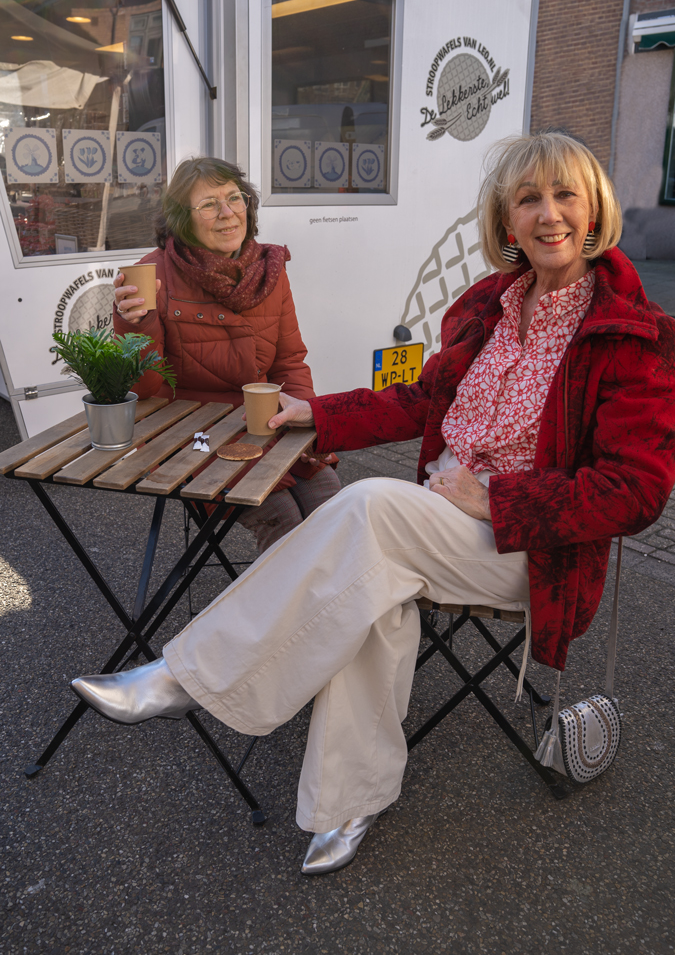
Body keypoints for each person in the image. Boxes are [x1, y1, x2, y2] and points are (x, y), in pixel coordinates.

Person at [73, 132, 675, 876]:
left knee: (371, 511)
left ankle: (182, 674)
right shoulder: (489, 304)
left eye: (564, 196)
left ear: (592, 214)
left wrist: (496, 498)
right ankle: (348, 801)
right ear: (506, 220)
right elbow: (421, 400)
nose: (547, 214)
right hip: (431, 521)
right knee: (376, 595)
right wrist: (314, 414)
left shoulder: (629, 335)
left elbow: (637, 491)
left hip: (526, 550)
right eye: (528, 199)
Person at [113, 156, 340, 552]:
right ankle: (293, 609)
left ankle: (342, 602)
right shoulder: (153, 274)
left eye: (234, 198)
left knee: (331, 499)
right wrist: (134, 324)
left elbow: (289, 362)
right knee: (282, 516)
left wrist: (308, 423)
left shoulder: (270, 269)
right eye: (208, 204)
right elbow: (146, 391)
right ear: (182, 219)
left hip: (263, 421)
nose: (227, 213)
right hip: (191, 434)